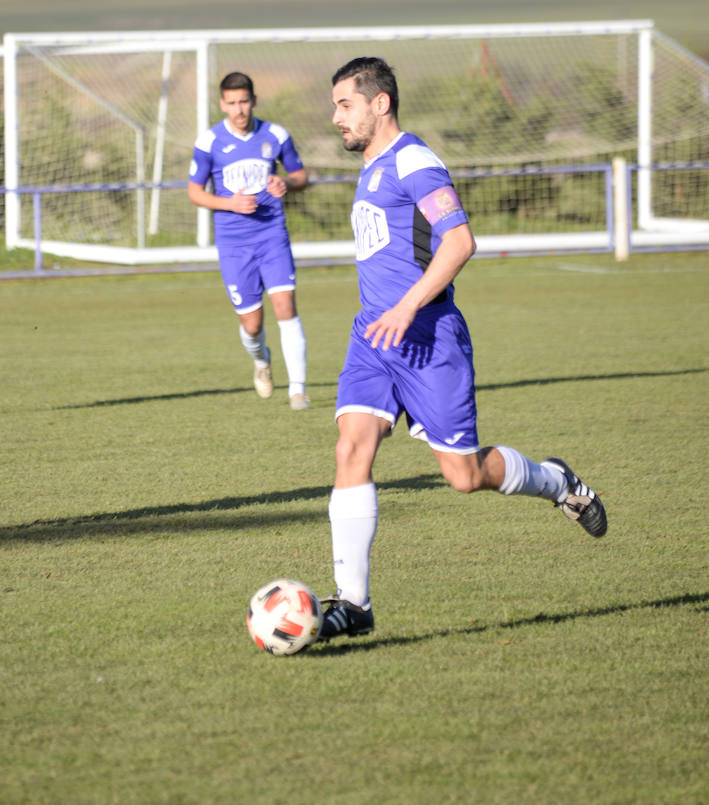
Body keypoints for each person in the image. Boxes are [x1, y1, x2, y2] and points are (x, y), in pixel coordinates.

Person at [315, 56, 608, 643]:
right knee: (352, 446)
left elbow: (460, 240)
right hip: (373, 337)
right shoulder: (371, 165)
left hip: (428, 338)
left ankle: (559, 484)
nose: (335, 118)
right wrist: (387, 312)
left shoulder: (415, 160)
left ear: (380, 104)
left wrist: (407, 307)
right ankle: (354, 603)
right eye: (334, 106)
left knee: (465, 476)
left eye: (344, 105)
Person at [188, 71, 311, 409]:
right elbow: (194, 193)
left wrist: (287, 183)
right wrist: (229, 203)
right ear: (222, 104)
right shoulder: (209, 143)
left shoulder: (275, 135)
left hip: (272, 234)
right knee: (252, 324)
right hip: (234, 244)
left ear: (254, 100)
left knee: (286, 307)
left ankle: (297, 389)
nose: (239, 109)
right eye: (232, 103)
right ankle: (261, 362)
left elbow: (301, 175)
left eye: (244, 101)